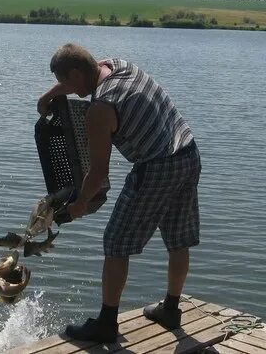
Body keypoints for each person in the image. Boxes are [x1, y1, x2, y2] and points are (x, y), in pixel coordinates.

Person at [37, 43, 201, 343]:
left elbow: (98, 173)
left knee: (115, 242)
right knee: (178, 238)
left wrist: (79, 205)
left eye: (68, 83)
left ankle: (106, 325)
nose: (70, 91)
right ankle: (172, 310)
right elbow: (79, 73)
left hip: (157, 167)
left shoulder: (100, 110)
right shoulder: (117, 65)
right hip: (187, 152)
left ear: (76, 74)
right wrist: (51, 94)